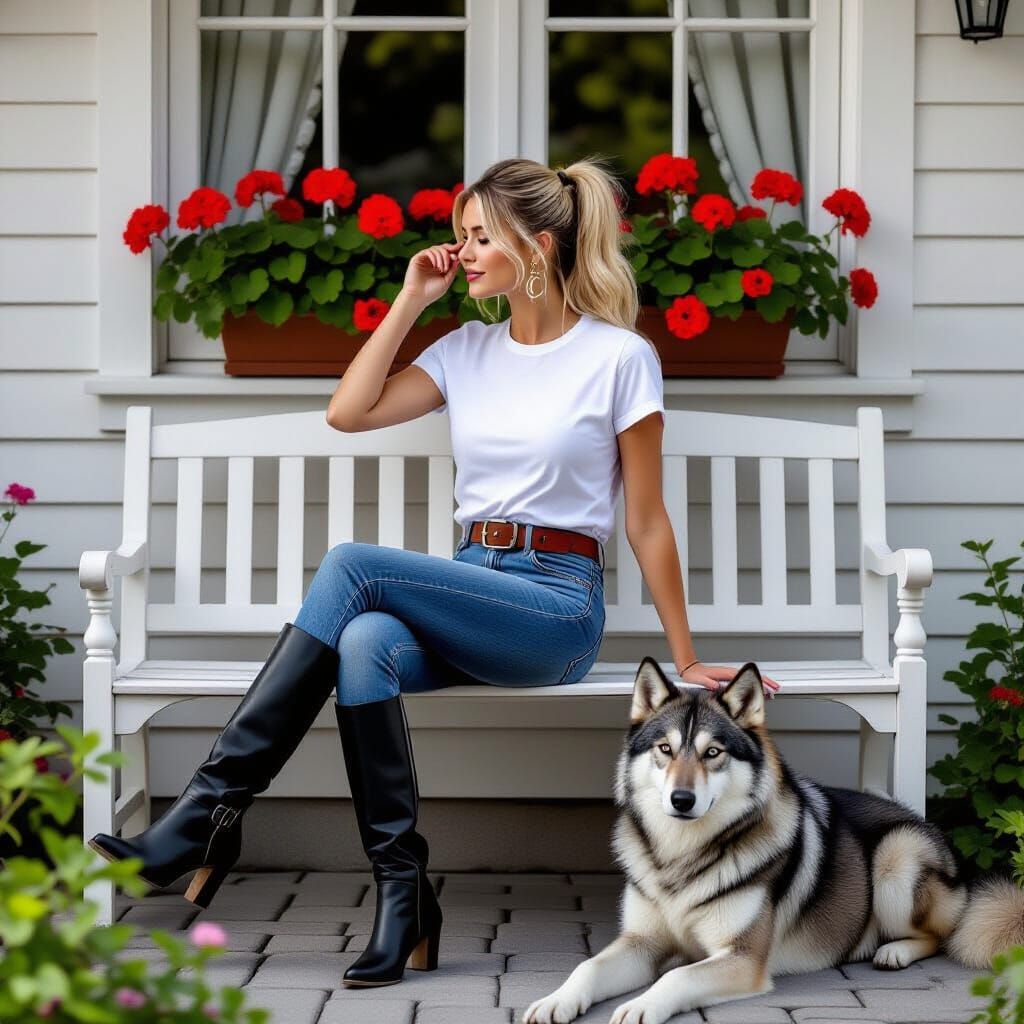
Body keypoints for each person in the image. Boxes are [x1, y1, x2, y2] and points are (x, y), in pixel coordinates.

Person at [88, 155, 780, 990]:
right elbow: (348, 413)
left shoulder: (619, 358)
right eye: (462, 235)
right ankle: (404, 893)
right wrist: (411, 299)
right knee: (367, 642)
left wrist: (684, 657)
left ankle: (206, 813)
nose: (465, 252)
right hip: (473, 583)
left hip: (554, 607)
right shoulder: (464, 349)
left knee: (353, 567)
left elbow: (645, 520)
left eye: (481, 236)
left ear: (541, 246)